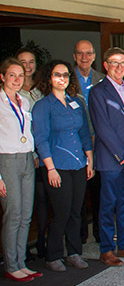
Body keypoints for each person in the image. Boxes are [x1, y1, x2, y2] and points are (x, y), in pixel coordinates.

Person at [32, 60, 94, 271]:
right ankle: (54, 255)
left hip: (78, 163)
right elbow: (40, 139)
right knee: (62, 211)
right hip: (56, 166)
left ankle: (74, 253)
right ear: (49, 78)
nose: (62, 79)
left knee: (77, 211)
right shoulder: (43, 106)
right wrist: (50, 168)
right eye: (58, 75)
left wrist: (90, 160)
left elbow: (84, 132)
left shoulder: (76, 102)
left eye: (66, 75)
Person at [88, 47, 124, 267]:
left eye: (123, 63)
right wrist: (123, 154)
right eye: (114, 63)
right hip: (111, 159)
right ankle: (106, 249)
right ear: (105, 65)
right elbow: (102, 128)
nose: (119, 67)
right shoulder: (98, 92)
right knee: (108, 204)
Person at [0, 58, 40, 282]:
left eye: (20, 75)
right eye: (12, 75)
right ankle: (11, 265)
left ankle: (22, 262)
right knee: (13, 214)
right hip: (6, 161)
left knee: (26, 215)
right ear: (2, 77)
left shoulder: (24, 102)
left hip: (26, 159)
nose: (17, 79)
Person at [73, 40, 104, 245]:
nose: (84, 57)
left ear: (94, 56)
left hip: (99, 144)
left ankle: (101, 234)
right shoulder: (67, 79)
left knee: (99, 192)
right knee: (78, 194)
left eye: (88, 53)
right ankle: (80, 235)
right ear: (74, 56)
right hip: (75, 144)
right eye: (80, 53)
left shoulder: (102, 79)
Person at [16, 47, 46, 258]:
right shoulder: (12, 92)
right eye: (23, 62)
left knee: (43, 202)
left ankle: (42, 243)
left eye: (31, 62)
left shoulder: (40, 90)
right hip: (23, 155)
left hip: (43, 154)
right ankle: (20, 249)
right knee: (21, 206)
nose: (27, 67)